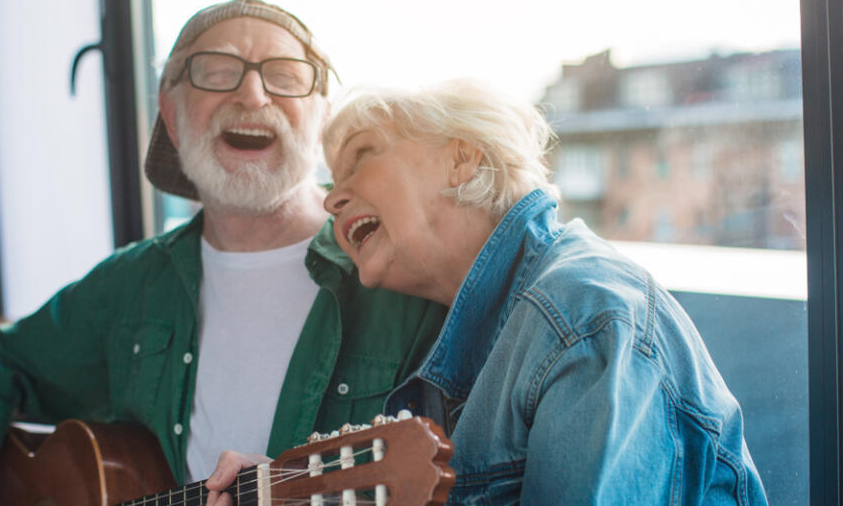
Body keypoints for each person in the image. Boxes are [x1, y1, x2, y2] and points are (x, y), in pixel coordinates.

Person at [0, 0, 446, 505]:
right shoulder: (129, 285)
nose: (253, 96)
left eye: (284, 76)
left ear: (322, 119)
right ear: (171, 116)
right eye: (217, 73)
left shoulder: (401, 271)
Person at [319, 78, 768, 504]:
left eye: (361, 157)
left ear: (461, 159)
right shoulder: (504, 322)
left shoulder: (581, 317)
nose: (331, 199)